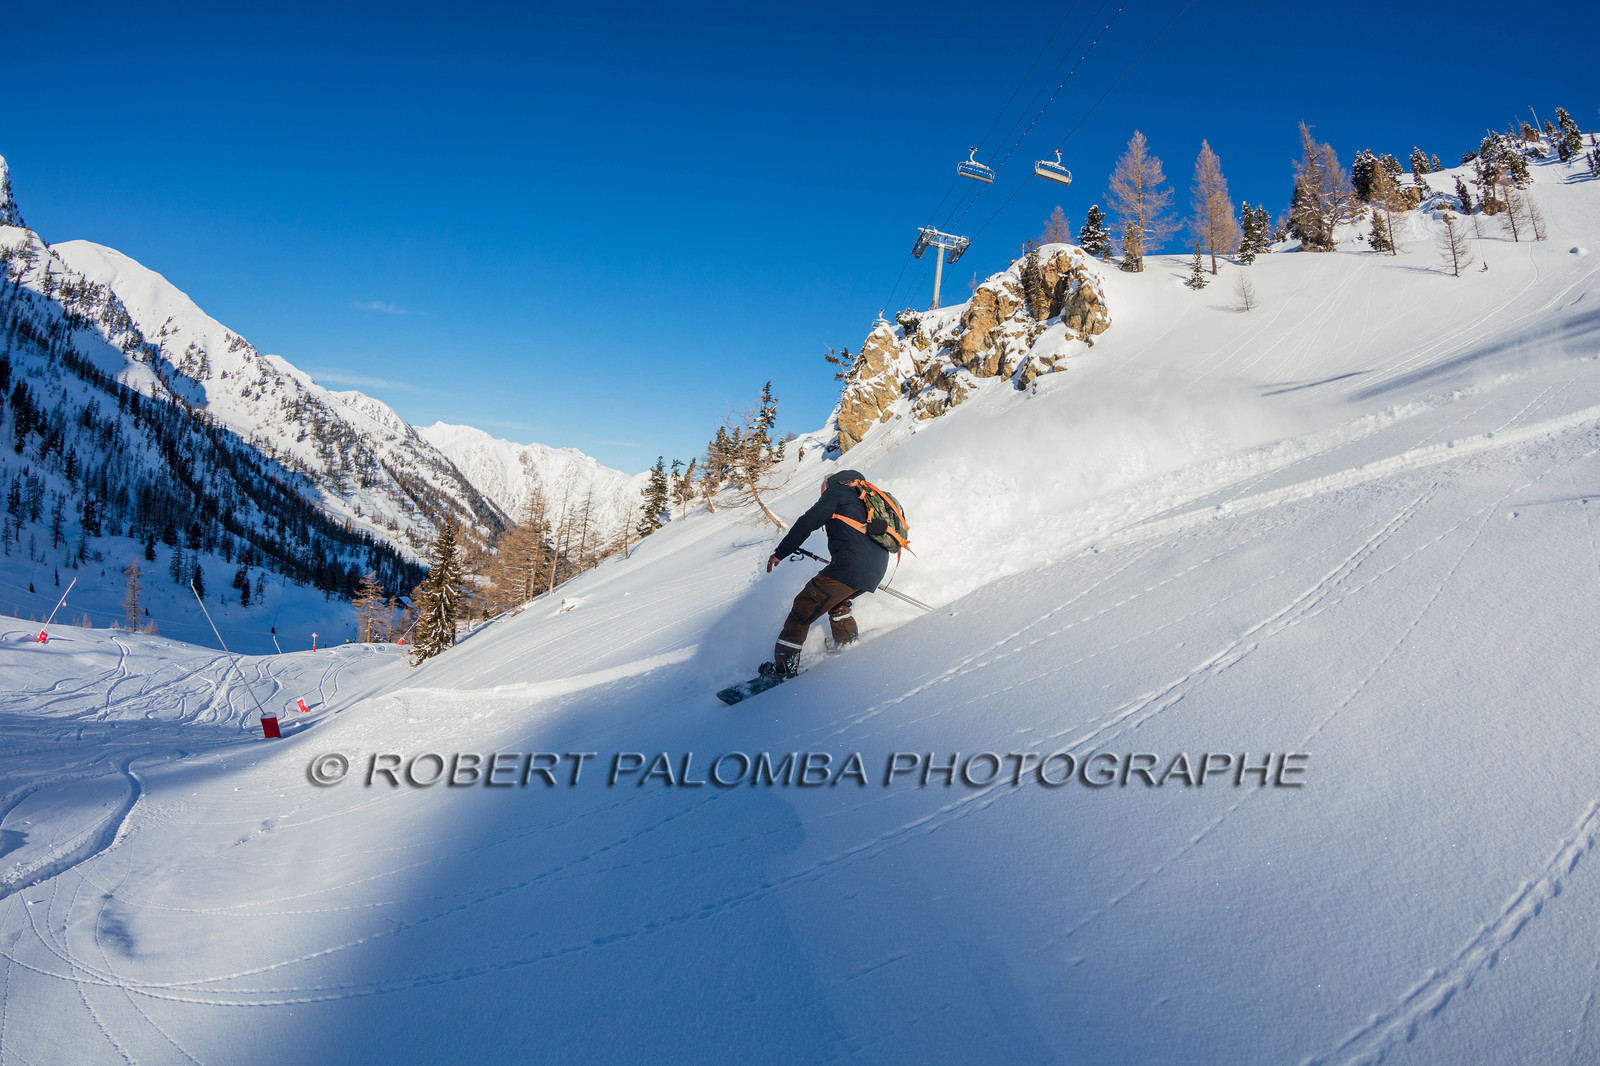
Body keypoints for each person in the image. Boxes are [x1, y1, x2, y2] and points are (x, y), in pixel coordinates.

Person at [761, 469, 891, 680]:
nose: (822, 497)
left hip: (848, 568)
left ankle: (783, 671)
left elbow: (807, 522)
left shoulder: (836, 493)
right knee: (837, 603)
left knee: (802, 608)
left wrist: (780, 553)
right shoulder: (865, 499)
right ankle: (846, 644)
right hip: (875, 569)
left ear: (832, 484)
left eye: (822, 492)